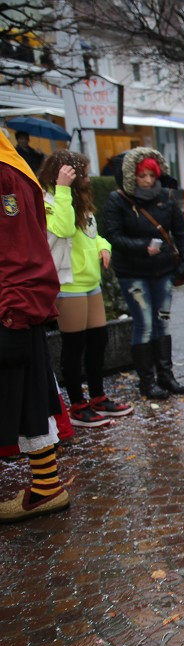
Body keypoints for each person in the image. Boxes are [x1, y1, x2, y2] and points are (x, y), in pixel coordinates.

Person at [0, 132, 70, 522]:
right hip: (14, 305)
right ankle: (46, 487)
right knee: (29, 400)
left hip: (11, 308)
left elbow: (17, 248)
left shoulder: (6, 174)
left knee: (27, 399)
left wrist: (14, 310)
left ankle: (47, 488)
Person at [42, 151, 132, 427]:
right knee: (74, 346)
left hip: (91, 283)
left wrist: (104, 247)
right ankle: (77, 404)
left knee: (98, 342)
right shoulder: (49, 200)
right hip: (68, 283)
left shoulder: (82, 201)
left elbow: (94, 235)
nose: (86, 178)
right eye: (82, 172)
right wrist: (62, 190)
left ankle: (98, 396)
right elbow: (63, 229)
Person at [101, 147, 184, 399]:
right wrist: (143, 247)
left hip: (162, 273)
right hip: (133, 274)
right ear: (132, 176)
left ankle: (166, 374)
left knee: (162, 321)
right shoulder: (117, 200)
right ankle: (146, 381)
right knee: (144, 324)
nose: (148, 181)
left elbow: (181, 231)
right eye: (142, 176)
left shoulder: (165, 197)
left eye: (152, 175)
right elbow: (112, 235)